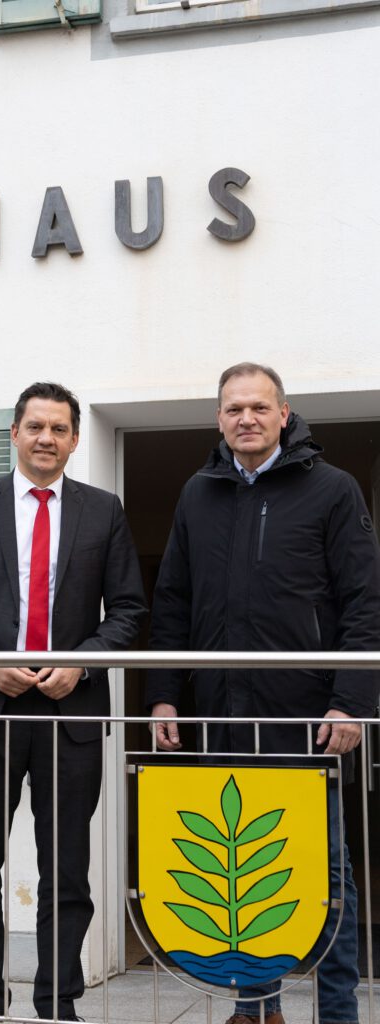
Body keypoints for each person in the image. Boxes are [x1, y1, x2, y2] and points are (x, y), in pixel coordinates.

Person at [147, 362, 380, 1024]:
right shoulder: (198, 494)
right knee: (242, 866)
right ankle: (256, 1009)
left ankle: (337, 1012)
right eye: (233, 409)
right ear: (218, 419)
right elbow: (174, 601)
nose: (245, 418)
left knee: (323, 870)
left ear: (284, 414)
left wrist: (350, 701)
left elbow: (365, 603)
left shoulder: (332, 489)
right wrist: (164, 694)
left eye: (258, 407)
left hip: (307, 717)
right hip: (223, 714)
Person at [0, 381, 147, 1021]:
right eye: (36, 426)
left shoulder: (103, 511)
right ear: (14, 433)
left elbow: (128, 610)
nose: (47, 438)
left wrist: (82, 661)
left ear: (74, 440)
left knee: (67, 871)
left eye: (59, 429)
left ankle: (58, 1004)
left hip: (69, 715)